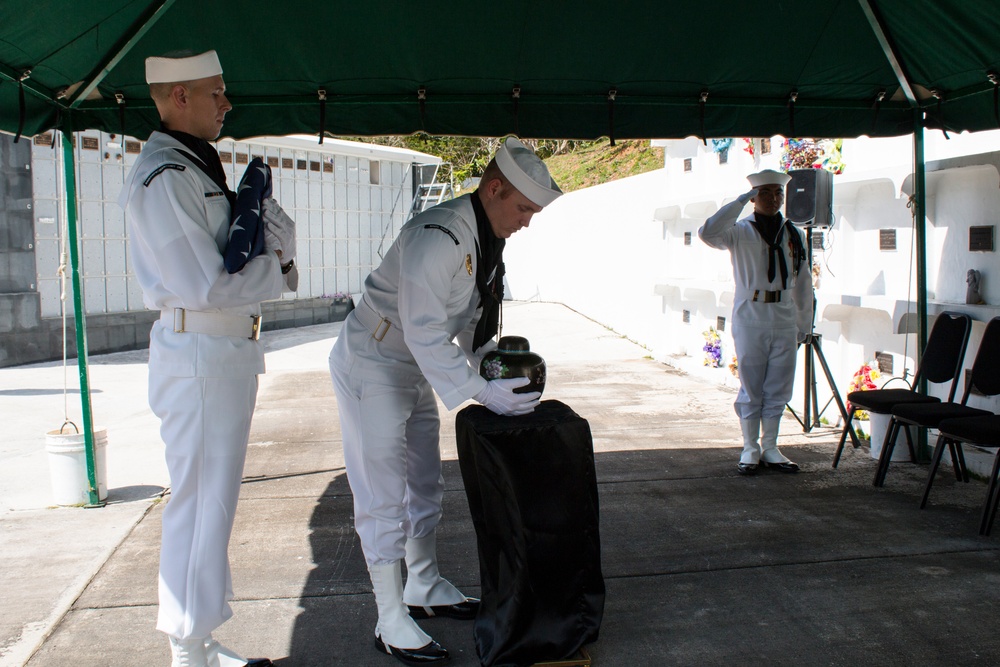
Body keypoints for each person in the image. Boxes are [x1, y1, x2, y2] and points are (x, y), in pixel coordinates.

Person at [329, 137, 562, 664]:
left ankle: (424, 584)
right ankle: (390, 617)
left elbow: (467, 329)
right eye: (523, 208)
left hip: (411, 363)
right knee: (383, 490)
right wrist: (481, 391)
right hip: (375, 361)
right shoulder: (440, 237)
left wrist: (490, 365)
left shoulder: (485, 238)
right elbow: (424, 330)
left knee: (426, 481)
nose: (527, 221)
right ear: (494, 188)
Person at [119, 50, 297, 667]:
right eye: (215, 93)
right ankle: (189, 650)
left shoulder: (195, 168)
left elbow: (232, 262)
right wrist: (277, 268)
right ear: (177, 99)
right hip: (198, 349)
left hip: (218, 353)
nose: (227, 104)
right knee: (198, 504)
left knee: (211, 503)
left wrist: (277, 252)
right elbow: (206, 285)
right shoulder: (164, 177)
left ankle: (199, 639)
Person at [698, 169, 812, 475]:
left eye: (778, 194)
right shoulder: (739, 230)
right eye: (765, 193)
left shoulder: (793, 234)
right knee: (752, 383)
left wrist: (803, 324)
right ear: (753, 197)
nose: (773, 199)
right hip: (751, 314)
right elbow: (708, 233)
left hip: (784, 314)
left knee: (779, 383)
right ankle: (750, 447)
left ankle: (770, 447)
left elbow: (803, 282)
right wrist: (739, 202)